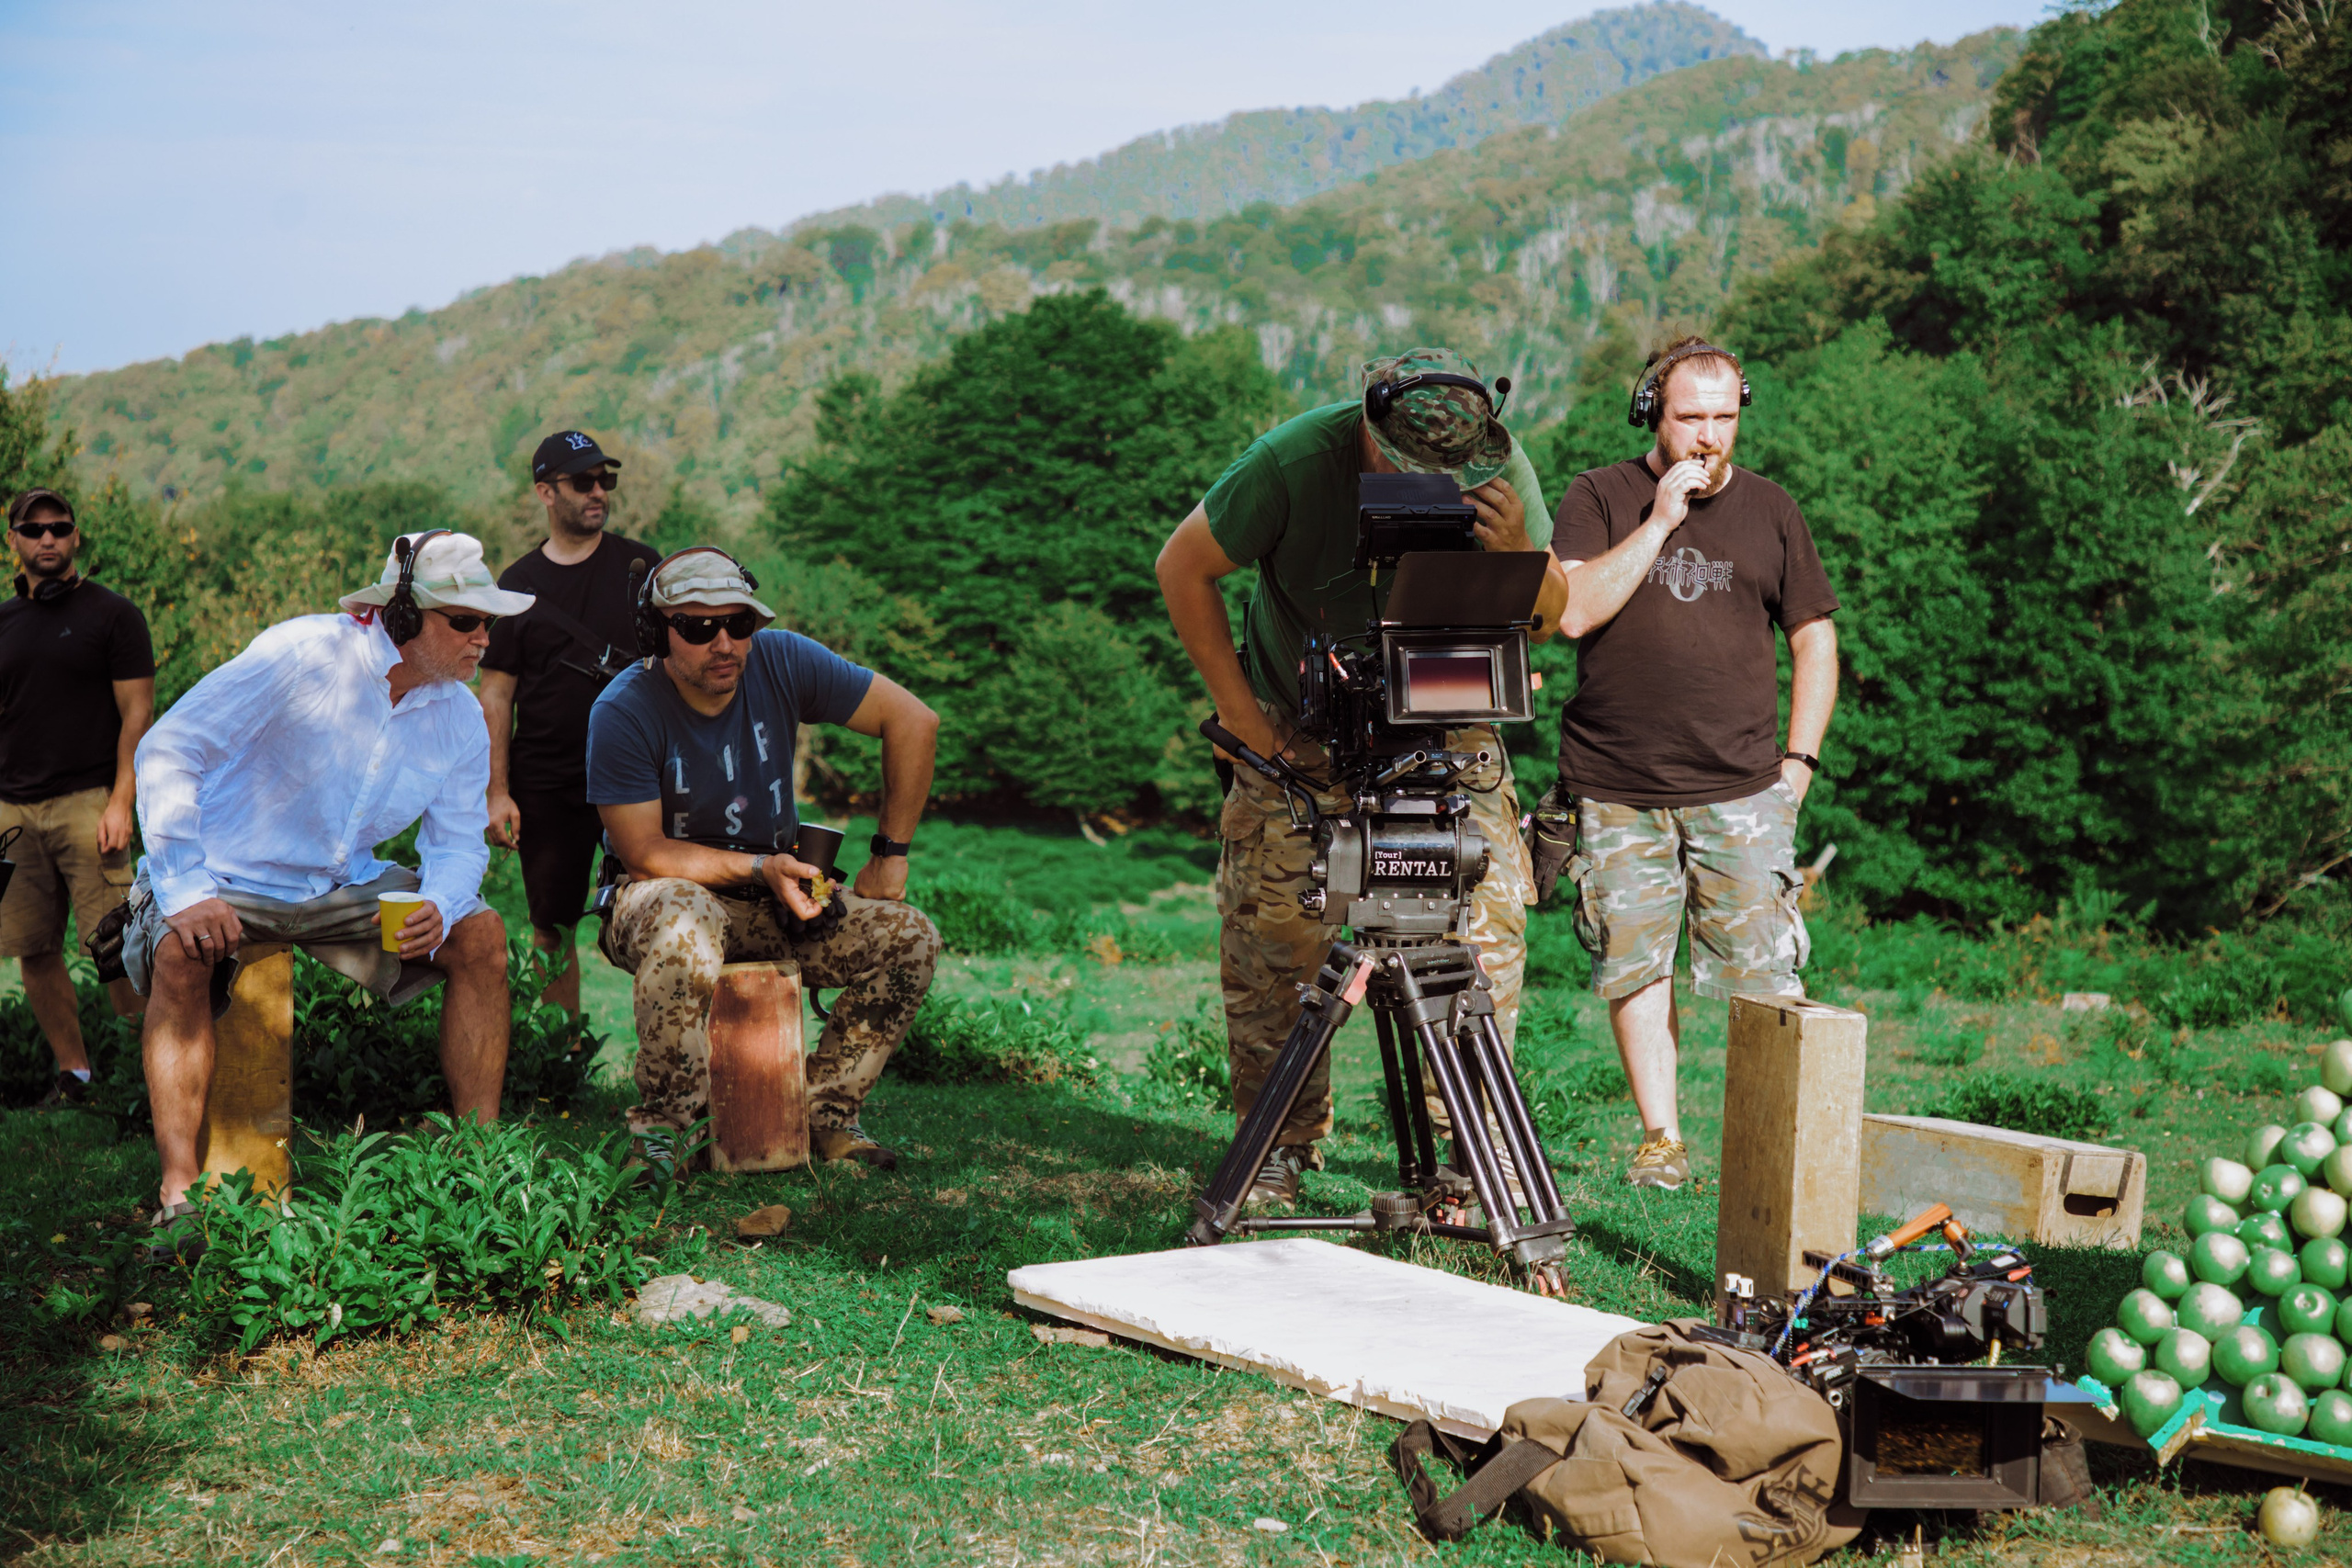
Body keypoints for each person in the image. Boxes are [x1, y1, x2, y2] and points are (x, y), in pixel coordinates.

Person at [1154, 348, 1568, 1210]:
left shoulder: (1497, 464)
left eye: (1443, 471)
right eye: (1405, 467)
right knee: (1280, 938)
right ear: (1368, 423)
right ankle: (1276, 1146)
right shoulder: (1296, 461)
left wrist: (1524, 555)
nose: (1427, 483)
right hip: (1300, 729)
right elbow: (1181, 566)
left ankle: (1470, 1158)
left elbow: (1550, 615)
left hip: (1445, 718)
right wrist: (1240, 711)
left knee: (1482, 933)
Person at [127, 531, 531, 1235]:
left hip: (339, 888)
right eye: (465, 621)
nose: (483, 640)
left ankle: (479, 1165)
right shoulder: (304, 654)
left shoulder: (461, 715)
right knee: (178, 951)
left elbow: (460, 841)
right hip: (230, 879)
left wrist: (438, 902)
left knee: (481, 935)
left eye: (489, 623)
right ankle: (178, 1193)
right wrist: (186, 889)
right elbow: (168, 747)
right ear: (404, 616)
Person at [1550, 336, 1841, 1191]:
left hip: (1744, 786)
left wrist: (1801, 764)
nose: (1709, 438)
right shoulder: (1600, 496)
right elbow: (1573, 613)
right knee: (1637, 965)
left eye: (1725, 419)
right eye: (1691, 419)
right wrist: (1662, 521)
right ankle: (1662, 1142)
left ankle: (1772, 1152)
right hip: (1618, 784)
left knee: (1765, 974)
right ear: (1653, 413)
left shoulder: (1774, 509)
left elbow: (1814, 638)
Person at [586, 547, 942, 1169]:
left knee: (909, 937)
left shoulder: (782, 660)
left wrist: (890, 855)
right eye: (698, 628)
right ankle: (665, 1137)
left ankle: (826, 1119)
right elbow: (644, 852)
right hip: (658, 897)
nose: (723, 642)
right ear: (658, 631)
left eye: (740, 623)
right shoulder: (624, 709)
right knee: (685, 914)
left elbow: (913, 719)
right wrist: (758, 868)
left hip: (775, 900)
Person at [478, 431, 662, 1016]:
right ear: (545, 492)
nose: (598, 491)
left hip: (642, 777)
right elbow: (495, 694)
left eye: (604, 480)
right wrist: (497, 792)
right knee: (551, 927)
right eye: (582, 481)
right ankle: (562, 1065)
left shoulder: (642, 568)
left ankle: (673, 1065)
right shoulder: (514, 586)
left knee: (667, 912)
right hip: (549, 781)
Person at [0, 488, 155, 1107]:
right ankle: (77, 1075)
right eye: (32, 528)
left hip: (91, 802)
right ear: (12, 538)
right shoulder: (4, 624)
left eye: (58, 527)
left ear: (76, 536)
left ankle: (147, 1072)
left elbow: (137, 714)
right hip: (12, 810)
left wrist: (122, 801)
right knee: (32, 949)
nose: (47, 538)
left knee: (116, 945)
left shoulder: (113, 615)